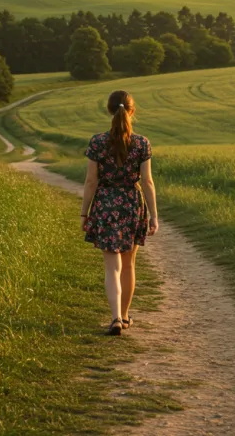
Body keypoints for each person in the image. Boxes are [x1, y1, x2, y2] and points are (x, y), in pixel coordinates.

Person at [80, 90, 158, 336]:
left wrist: (85, 213)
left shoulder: (97, 142)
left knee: (111, 266)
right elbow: (147, 182)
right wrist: (154, 215)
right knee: (128, 264)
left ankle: (114, 317)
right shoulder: (142, 143)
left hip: (105, 204)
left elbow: (91, 181)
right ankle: (124, 317)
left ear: (109, 110)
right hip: (132, 204)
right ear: (132, 111)